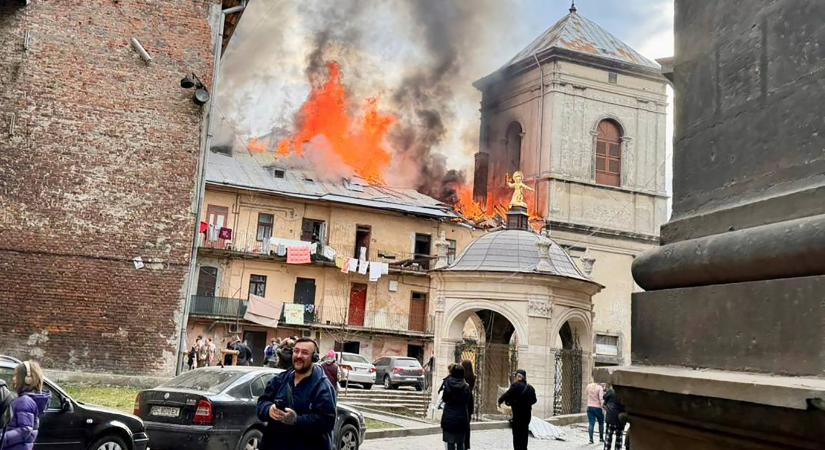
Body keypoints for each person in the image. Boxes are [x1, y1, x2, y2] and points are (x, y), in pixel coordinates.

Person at [256, 338, 337, 450]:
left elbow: (327, 422)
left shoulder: (323, 387)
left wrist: (296, 420)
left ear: (314, 357)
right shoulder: (280, 380)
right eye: (296, 351)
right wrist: (268, 409)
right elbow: (261, 403)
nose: (298, 355)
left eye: (304, 352)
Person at [1, 361, 50, 450]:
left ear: (28, 379)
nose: (13, 379)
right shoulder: (27, 399)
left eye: (16, 376)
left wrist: (2, 438)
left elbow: (25, 429)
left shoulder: (24, 401)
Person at [497, 369, 536, 450]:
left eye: (516, 376)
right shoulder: (530, 388)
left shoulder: (515, 386)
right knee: (524, 433)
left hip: (517, 415)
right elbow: (534, 400)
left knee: (517, 434)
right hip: (527, 415)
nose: (515, 378)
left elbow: (507, 395)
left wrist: (500, 401)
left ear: (519, 377)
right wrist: (526, 404)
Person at [440, 364, 472, 450]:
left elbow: (444, 398)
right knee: (460, 442)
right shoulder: (466, 386)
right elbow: (467, 400)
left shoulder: (447, 383)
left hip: (449, 417)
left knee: (450, 442)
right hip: (461, 417)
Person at [602, 385, 626, 450]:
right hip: (620, 419)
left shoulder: (611, 391)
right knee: (619, 437)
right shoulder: (624, 393)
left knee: (608, 436)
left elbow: (604, 398)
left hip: (611, 417)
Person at [460, 360, 476, 449]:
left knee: (461, 423)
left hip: (464, 399)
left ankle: (460, 442)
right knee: (467, 424)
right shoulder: (473, 377)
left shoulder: (462, 377)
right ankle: (466, 445)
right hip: (470, 400)